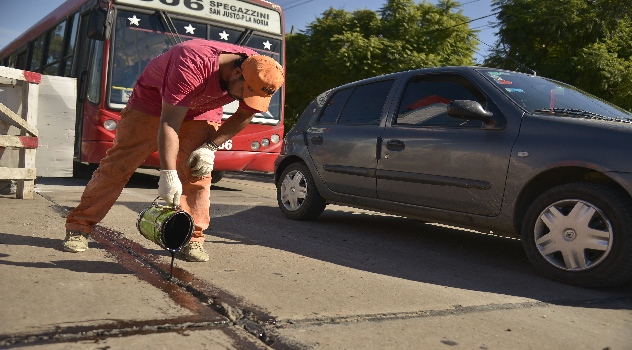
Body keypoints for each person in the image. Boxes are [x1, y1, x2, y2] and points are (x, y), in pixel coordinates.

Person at [62, 39, 284, 262]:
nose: (245, 100)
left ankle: (193, 239)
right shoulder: (192, 61)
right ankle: (79, 226)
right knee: (119, 165)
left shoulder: (263, 72)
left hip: (203, 109)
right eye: (245, 93)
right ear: (236, 73)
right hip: (153, 104)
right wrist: (168, 175)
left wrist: (210, 147)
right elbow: (169, 124)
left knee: (198, 171)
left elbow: (244, 115)